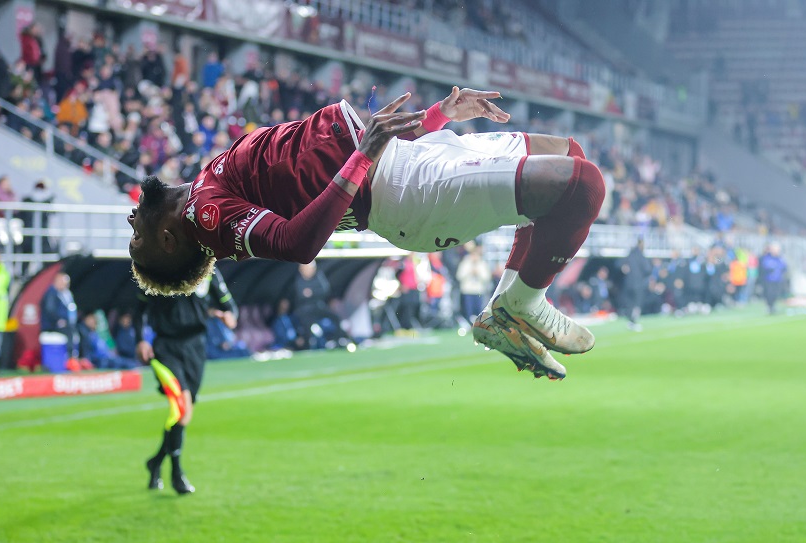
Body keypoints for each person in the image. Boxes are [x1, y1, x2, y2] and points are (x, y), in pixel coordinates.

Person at [127, 87, 602, 381]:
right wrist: (364, 154)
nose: (131, 224)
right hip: (408, 194)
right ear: (169, 242)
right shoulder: (206, 217)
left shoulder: (205, 184)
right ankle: (522, 305)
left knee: (569, 151)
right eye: (136, 241)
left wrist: (438, 116)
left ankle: (505, 309)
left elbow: (355, 146)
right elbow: (297, 242)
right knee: (581, 187)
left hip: (401, 161)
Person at [134, 268, 238, 495]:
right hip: (165, 348)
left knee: (182, 414)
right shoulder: (160, 267)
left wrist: (229, 316)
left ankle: (156, 462)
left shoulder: (208, 270)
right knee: (182, 409)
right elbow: (139, 309)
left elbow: (229, 305)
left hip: (195, 349)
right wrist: (141, 340)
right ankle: (177, 473)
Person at [41, 272, 80, 361]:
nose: (66, 285)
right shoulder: (52, 293)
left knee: (75, 332)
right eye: (64, 282)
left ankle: (74, 357)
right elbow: (50, 310)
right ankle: (70, 358)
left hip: (65, 323)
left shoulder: (65, 294)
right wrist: (59, 320)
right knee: (69, 333)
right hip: (52, 326)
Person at [619, 239, 650, 329]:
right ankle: (633, 321)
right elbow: (647, 269)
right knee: (637, 304)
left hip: (628, 283)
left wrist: (623, 267)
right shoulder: (640, 255)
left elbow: (619, 264)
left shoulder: (630, 254)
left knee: (630, 303)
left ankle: (630, 320)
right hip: (638, 284)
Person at [456, 242, 491, 322]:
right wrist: (469, 271)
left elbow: (487, 277)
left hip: (478, 291)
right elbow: (459, 276)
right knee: (468, 311)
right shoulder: (465, 262)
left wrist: (478, 273)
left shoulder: (482, 263)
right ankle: (468, 325)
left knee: (479, 311)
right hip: (467, 291)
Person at [758, 243, 787, 315]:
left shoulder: (780, 258)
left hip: (778, 279)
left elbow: (784, 267)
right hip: (769, 279)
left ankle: (773, 306)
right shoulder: (766, 258)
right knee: (769, 293)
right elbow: (765, 267)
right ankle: (769, 306)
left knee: (776, 294)